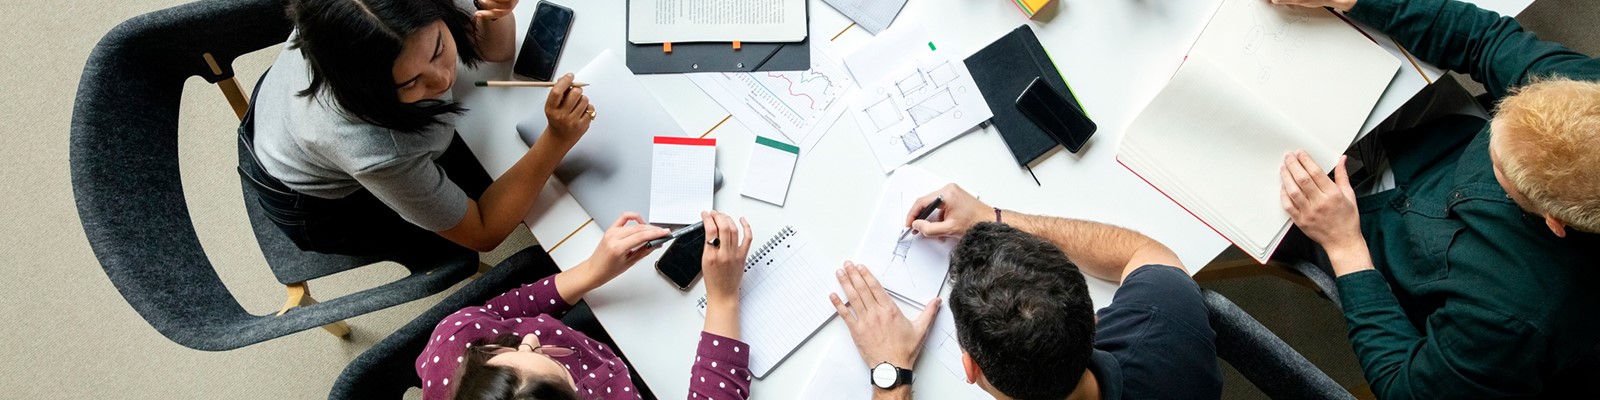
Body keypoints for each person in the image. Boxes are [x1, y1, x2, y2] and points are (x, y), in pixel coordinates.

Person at [1270, 0, 1600, 397]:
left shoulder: (1511, 322)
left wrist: (1345, 248)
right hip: (1444, 145)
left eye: (1501, 166)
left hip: (1383, 246)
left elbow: (1404, 388)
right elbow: (1485, 41)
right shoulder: (1584, 92)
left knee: (1236, 191)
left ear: (1553, 221)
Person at [242, 0, 595, 256]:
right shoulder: (373, 148)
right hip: (314, 203)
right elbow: (484, 231)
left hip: (282, 111)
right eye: (412, 81)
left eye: (439, 48)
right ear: (370, 88)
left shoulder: (383, 11)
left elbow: (496, 51)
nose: (444, 80)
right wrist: (555, 141)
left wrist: (495, 12)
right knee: (513, 186)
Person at [828, 184, 1223, 400]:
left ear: (971, 369)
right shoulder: (1169, 321)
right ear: (1090, 315)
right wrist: (994, 218)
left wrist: (890, 373)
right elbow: (1145, 252)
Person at [417, 211, 756, 400]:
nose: (532, 340)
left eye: (510, 349)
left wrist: (591, 272)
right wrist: (724, 299)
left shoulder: (457, 341)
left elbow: (505, 312)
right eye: (541, 358)